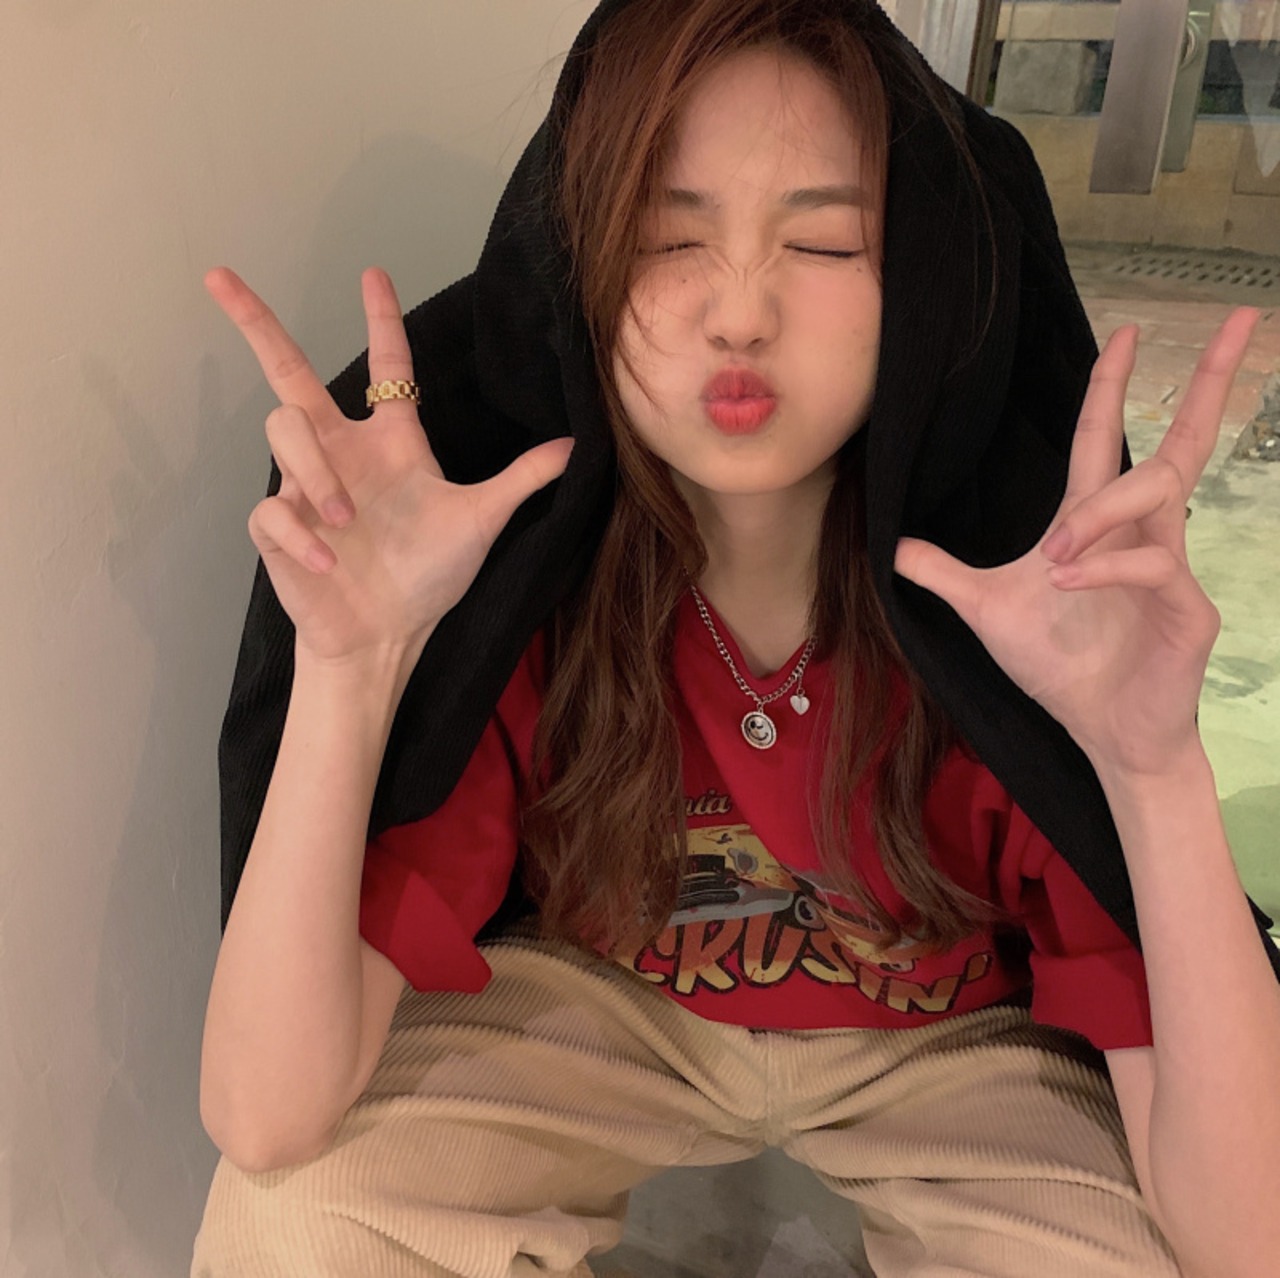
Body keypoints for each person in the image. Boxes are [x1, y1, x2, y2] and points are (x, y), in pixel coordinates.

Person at [190, 1, 1280, 1275]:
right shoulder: (533, 577)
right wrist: (352, 666)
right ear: (580, 262)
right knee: (298, 1223)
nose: (739, 313)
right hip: (603, 1010)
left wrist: (1153, 769)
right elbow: (264, 1119)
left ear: (921, 282)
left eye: (820, 241)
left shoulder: (1017, 607)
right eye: (666, 237)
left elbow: (1247, 1238)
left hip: (953, 1044)